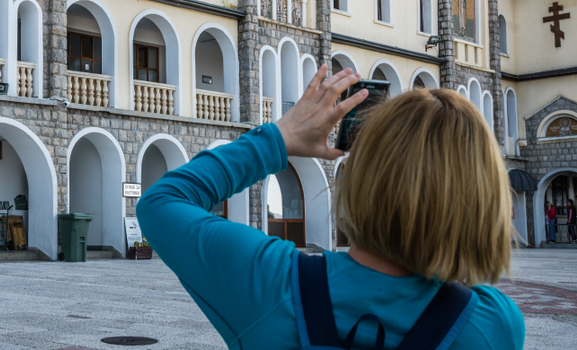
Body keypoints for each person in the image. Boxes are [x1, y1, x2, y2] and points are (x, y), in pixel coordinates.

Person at [137, 66, 523, 349]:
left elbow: (161, 202)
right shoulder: (493, 325)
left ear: (357, 177)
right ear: (486, 197)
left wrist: (278, 138)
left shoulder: (269, 282)